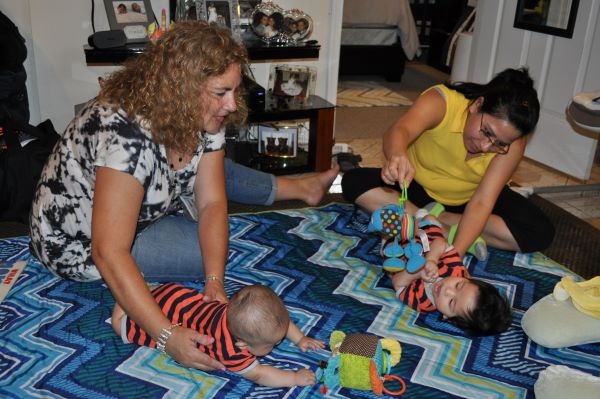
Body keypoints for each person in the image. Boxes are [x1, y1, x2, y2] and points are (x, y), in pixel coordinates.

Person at [29, 21, 338, 372]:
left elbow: (212, 204)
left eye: (234, 91)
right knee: (196, 251)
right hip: (76, 242)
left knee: (211, 247)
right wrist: (166, 336)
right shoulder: (127, 134)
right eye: (221, 92)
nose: (231, 104)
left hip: (146, 209)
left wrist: (215, 282)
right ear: (183, 89)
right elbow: (108, 250)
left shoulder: (200, 116)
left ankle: (297, 188)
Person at [342, 68, 555, 259]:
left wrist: (453, 256)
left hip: (471, 200)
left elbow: (482, 202)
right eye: (487, 132)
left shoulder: (513, 144)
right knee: (354, 181)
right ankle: (435, 221)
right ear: (477, 105)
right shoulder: (441, 101)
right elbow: (399, 130)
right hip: (417, 189)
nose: (484, 146)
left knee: (539, 230)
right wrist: (397, 155)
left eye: (499, 144)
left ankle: (437, 220)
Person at [113, 283, 324, 386]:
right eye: (272, 344)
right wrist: (294, 378)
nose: (277, 344)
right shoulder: (230, 351)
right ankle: (125, 299)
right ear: (242, 345)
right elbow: (260, 374)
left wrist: (300, 338)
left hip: (175, 296)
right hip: (167, 316)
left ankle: (142, 291)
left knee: (190, 305)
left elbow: (280, 322)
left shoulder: (235, 311)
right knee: (120, 326)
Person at [383, 211, 512, 336]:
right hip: (426, 239)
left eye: (451, 302)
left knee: (387, 237)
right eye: (458, 285)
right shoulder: (456, 270)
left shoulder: (423, 303)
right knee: (430, 218)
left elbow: (397, 283)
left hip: (398, 251)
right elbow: (440, 244)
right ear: (467, 278)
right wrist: (431, 260)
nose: (447, 291)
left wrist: (416, 272)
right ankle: (438, 219)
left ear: (447, 318)